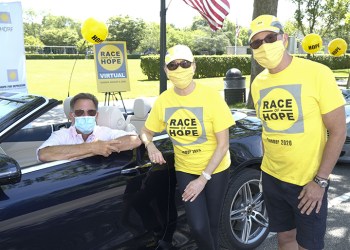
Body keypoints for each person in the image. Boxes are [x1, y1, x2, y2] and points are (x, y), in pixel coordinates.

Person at [248, 15, 346, 250]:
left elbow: (338, 130)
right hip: (272, 178)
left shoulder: (317, 73)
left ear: (284, 38)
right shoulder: (258, 82)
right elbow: (267, 128)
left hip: (307, 182)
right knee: (285, 240)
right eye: (256, 43)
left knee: (308, 246)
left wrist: (320, 181)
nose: (264, 46)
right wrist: (265, 173)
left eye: (270, 38)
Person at [139, 44, 235, 250]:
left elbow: (223, 144)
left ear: (194, 66)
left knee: (212, 223)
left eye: (184, 63)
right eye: (172, 65)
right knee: (198, 226)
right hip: (185, 169)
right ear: (166, 70)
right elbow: (146, 132)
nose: (179, 69)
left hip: (216, 169)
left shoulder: (211, 97)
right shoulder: (164, 100)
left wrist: (203, 178)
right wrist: (151, 147)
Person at [37, 93, 141, 162]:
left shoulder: (105, 132)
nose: (86, 116)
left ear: (96, 115)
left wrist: (77, 154)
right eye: (80, 112)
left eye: (91, 112)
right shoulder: (61, 135)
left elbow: (134, 140)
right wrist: (92, 148)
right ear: (72, 116)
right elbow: (44, 154)